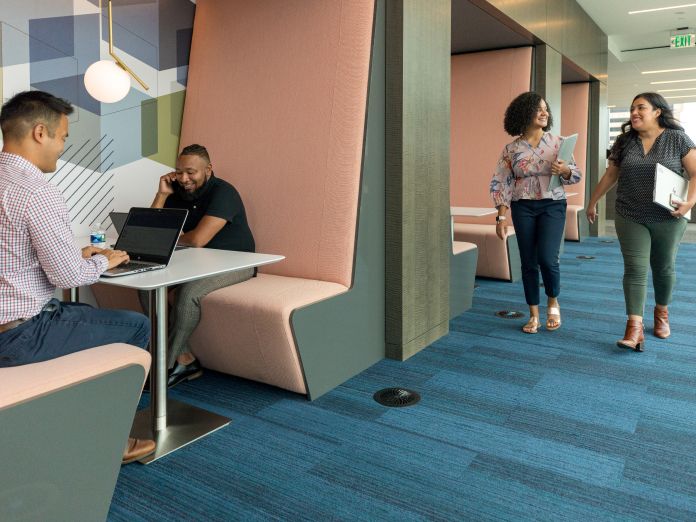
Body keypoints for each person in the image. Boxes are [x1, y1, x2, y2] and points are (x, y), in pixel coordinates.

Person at [0, 90, 155, 464]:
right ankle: (108, 438)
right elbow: (67, 275)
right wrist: (104, 262)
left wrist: (78, 254)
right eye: (63, 137)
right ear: (41, 132)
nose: (62, 148)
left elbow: (13, 254)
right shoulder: (36, 191)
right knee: (136, 327)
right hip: (19, 335)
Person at [587, 92, 696, 352]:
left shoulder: (677, 138)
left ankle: (661, 313)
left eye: (640, 108)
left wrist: (690, 202)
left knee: (663, 267)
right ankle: (634, 328)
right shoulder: (624, 141)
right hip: (630, 214)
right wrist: (592, 202)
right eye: (632, 108)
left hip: (668, 217)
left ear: (657, 111)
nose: (634, 113)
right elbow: (610, 174)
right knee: (635, 269)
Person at [144, 144, 256, 388]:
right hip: (199, 263)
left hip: (238, 262)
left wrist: (168, 237)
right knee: (149, 287)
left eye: (191, 172)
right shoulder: (177, 192)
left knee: (187, 295)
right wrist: (162, 195)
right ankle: (184, 359)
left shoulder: (224, 193)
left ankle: (165, 364)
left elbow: (197, 239)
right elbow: (151, 232)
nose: (184, 179)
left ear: (208, 169)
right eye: (179, 171)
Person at [490, 91, 582, 334]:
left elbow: (575, 175)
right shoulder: (511, 149)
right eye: (538, 109)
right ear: (524, 113)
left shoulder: (559, 142)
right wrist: (501, 216)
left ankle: (553, 300)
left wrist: (563, 171)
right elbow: (501, 182)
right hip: (523, 207)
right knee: (528, 262)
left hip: (552, 204)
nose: (544, 113)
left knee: (547, 258)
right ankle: (533, 313)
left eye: (546, 109)